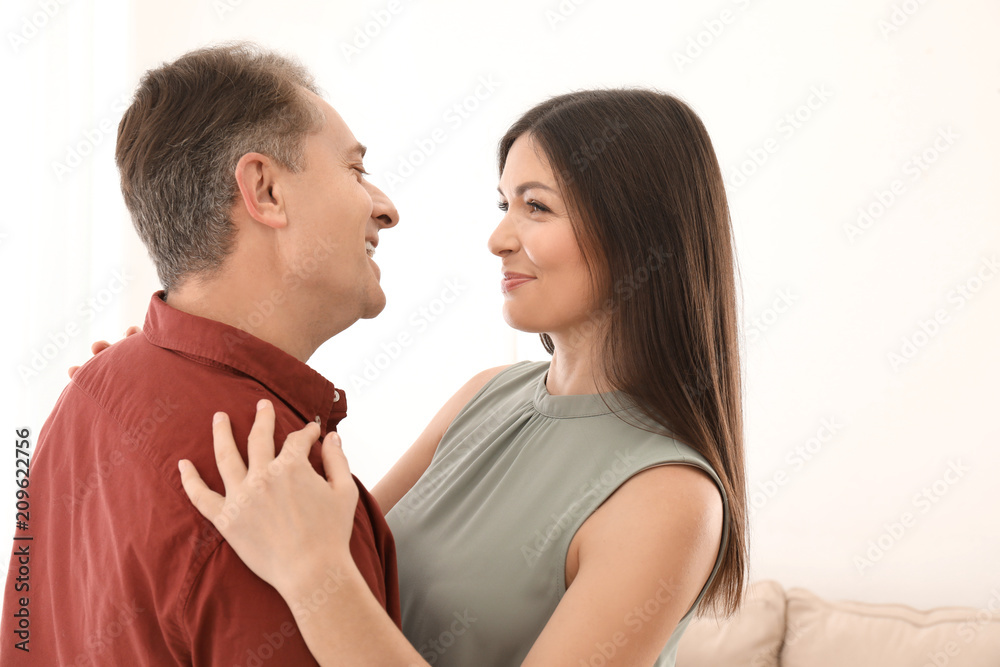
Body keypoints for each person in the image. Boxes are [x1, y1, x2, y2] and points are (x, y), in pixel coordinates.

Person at [177, 88, 750, 666]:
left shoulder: (671, 496)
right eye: (505, 206)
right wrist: (175, 367)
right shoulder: (485, 395)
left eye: (537, 207)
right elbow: (338, 545)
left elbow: (320, 567)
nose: (498, 240)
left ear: (639, 232)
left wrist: (311, 571)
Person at [0, 43, 402, 665]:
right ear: (265, 190)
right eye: (355, 170)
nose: (385, 208)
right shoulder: (276, 485)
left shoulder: (91, 388)